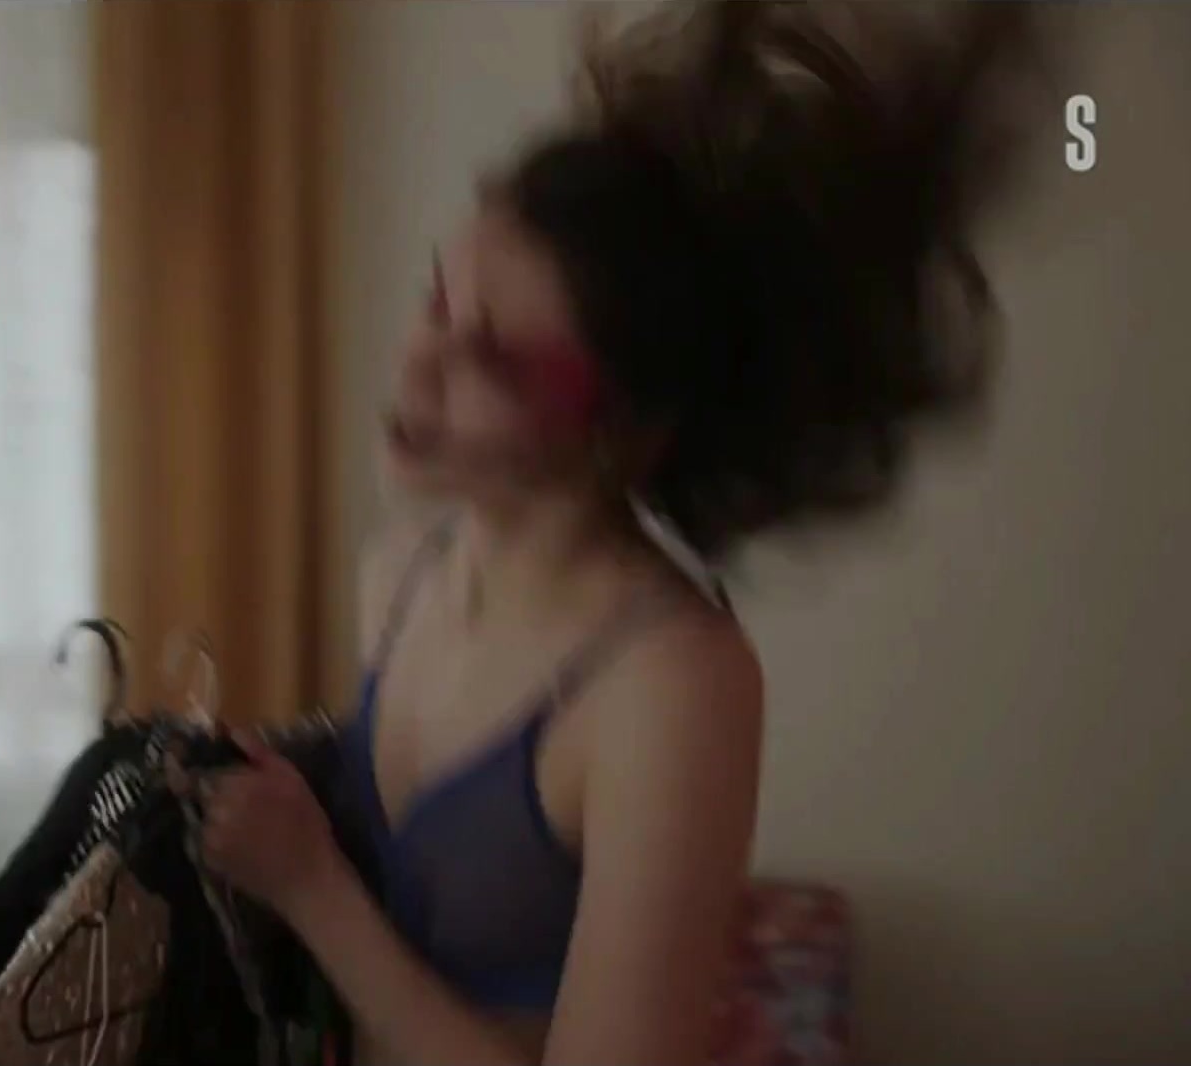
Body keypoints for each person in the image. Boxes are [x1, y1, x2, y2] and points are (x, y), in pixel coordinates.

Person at [195, 4, 1045, 1064]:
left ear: (622, 431)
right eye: (436, 298)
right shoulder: (400, 572)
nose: (414, 365)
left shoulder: (671, 684)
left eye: (495, 361)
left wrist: (313, 889)